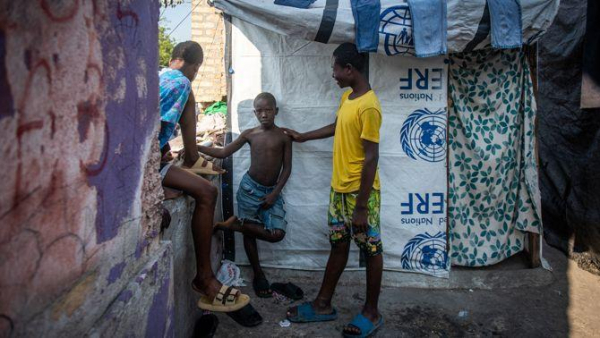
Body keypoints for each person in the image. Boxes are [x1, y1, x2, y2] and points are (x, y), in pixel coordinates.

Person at [283, 43, 384, 337]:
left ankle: (371, 311)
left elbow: (372, 157)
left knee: (371, 248)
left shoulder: (370, 106)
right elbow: (338, 126)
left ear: (349, 69)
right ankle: (323, 304)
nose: (333, 74)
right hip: (339, 190)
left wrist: (363, 206)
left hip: (360, 195)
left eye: (335, 68)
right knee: (339, 244)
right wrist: (304, 136)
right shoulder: (348, 98)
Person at [159, 41, 249, 312]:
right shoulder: (181, 84)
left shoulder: (160, 75)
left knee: (191, 99)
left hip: (150, 159)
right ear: (196, 66)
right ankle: (205, 279)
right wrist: (153, 185)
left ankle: (190, 157)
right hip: (142, 166)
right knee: (208, 193)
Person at [198, 92, 292, 298]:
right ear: (255, 113)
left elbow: (286, 169)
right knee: (250, 234)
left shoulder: (284, 137)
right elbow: (224, 152)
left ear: (276, 111)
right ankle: (258, 274)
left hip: (271, 192)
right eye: (259, 111)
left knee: (277, 234)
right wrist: (194, 147)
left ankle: (234, 225)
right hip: (249, 189)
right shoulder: (250, 134)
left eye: (268, 110)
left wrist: (275, 194)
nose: (264, 114)